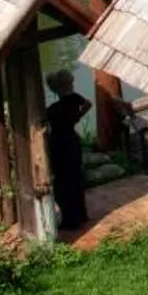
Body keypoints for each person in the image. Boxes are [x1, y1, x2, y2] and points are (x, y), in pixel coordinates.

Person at [43, 69, 93, 233]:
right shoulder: (75, 99)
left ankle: (70, 219)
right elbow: (88, 104)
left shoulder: (53, 109)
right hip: (72, 140)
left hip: (59, 143)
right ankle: (81, 214)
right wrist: (77, 116)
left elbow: (45, 120)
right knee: (75, 177)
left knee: (62, 182)